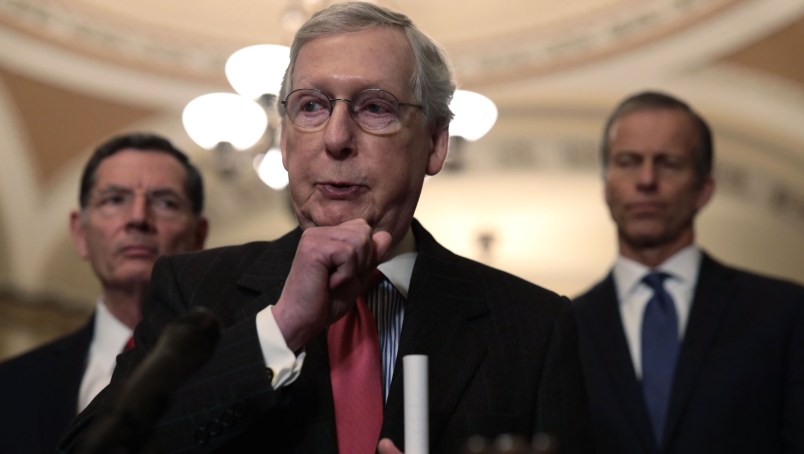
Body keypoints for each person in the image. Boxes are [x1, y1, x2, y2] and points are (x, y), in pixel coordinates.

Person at [59, 3, 591, 453]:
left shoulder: (534, 326)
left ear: (434, 143)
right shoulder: (192, 290)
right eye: (310, 106)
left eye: (375, 108)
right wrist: (281, 328)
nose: (336, 137)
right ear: (286, 140)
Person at [573, 90, 804, 453]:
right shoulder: (564, 326)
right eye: (629, 161)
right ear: (606, 185)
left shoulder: (784, 312)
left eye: (668, 163)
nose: (646, 179)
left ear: (704, 189)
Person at [0, 132, 208, 454]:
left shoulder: (240, 365)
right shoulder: (11, 385)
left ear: (198, 236)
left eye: (165, 202)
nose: (138, 218)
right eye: (114, 199)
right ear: (80, 233)